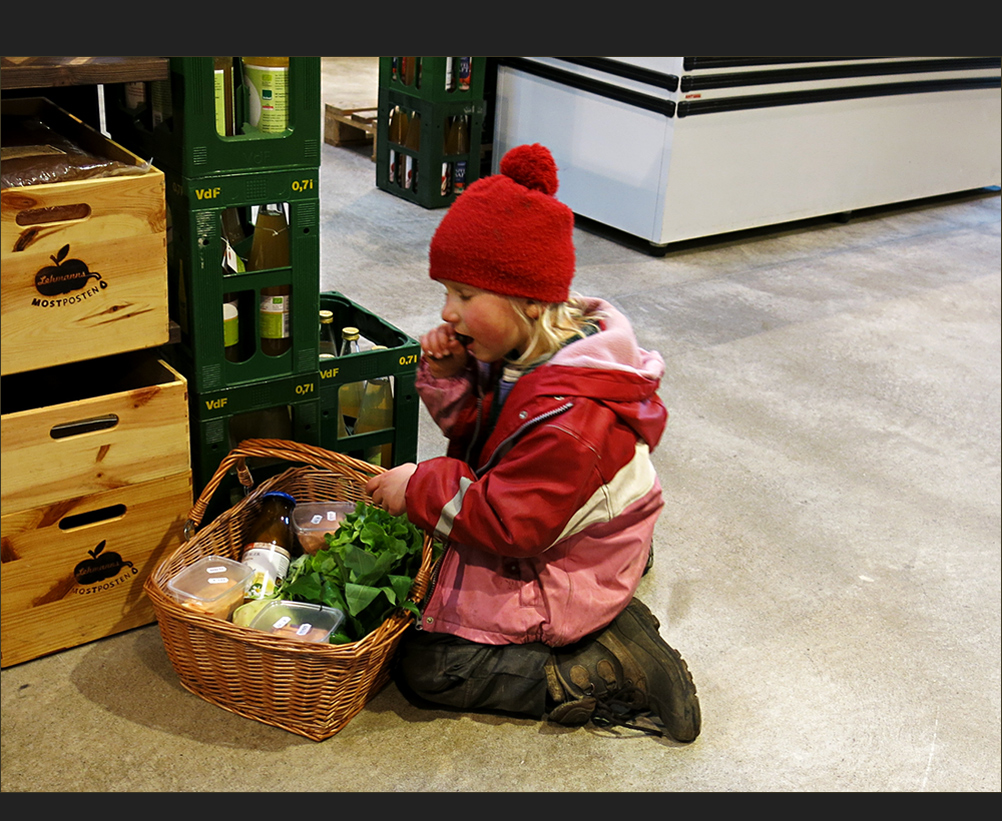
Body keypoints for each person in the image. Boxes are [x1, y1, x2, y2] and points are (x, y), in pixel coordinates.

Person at [365, 143, 700, 742]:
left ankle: (601, 668)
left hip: (551, 550)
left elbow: (507, 524)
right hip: (577, 532)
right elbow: (487, 445)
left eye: (465, 296)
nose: (448, 311)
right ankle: (608, 594)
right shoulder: (526, 354)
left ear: (524, 297)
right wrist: (450, 380)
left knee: (431, 668)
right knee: (437, 547)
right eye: (447, 292)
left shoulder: (573, 421)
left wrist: (419, 486)